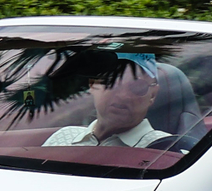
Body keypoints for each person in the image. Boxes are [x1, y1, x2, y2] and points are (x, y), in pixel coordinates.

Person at [42, 63, 171, 148]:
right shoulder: (63, 137)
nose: (123, 96)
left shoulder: (167, 149)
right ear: (92, 84)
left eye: (137, 87)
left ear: (153, 95)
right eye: (112, 83)